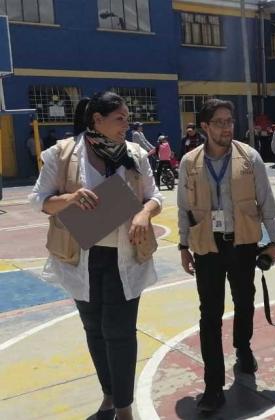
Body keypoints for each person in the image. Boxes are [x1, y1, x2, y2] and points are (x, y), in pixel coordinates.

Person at [28, 91, 162, 420]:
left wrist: (144, 213)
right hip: (82, 258)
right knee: (94, 329)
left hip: (125, 258)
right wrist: (71, 199)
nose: (126, 125)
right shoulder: (62, 154)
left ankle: (124, 407)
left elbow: (155, 196)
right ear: (97, 120)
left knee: (120, 331)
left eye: (127, 118)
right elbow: (39, 200)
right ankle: (109, 396)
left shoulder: (134, 154)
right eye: (119, 119)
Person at [177, 98, 275, 413]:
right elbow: (183, 207)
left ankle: (243, 347)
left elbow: (266, 200)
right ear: (205, 127)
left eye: (229, 121)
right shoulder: (189, 162)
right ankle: (213, 386)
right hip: (206, 247)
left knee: (245, 302)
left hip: (243, 244)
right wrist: (183, 246)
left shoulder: (250, 157)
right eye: (219, 122)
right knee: (209, 315)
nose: (226, 127)